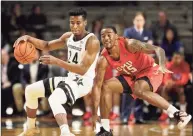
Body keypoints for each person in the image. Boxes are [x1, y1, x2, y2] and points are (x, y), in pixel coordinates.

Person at [14, 8, 100, 136]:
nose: (74, 26)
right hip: (70, 79)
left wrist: (57, 61)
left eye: (78, 23)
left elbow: (82, 69)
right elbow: (47, 45)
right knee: (30, 91)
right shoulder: (68, 37)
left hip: (83, 82)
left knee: (54, 98)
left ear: (85, 23)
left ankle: (66, 133)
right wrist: (28, 38)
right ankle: (31, 129)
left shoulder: (92, 41)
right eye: (72, 22)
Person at [91, 26, 192, 135]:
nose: (106, 38)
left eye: (109, 34)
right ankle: (105, 129)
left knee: (138, 90)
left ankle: (179, 113)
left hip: (150, 70)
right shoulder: (103, 58)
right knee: (106, 86)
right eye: (103, 36)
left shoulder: (130, 44)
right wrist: (94, 113)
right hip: (131, 75)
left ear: (116, 36)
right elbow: (97, 85)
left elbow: (159, 50)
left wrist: (162, 65)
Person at [159, 52, 190, 121]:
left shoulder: (185, 65)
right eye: (175, 58)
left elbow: (184, 80)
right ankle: (165, 114)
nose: (176, 60)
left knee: (181, 90)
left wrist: (174, 83)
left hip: (179, 86)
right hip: (170, 86)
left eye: (178, 58)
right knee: (164, 89)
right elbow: (165, 79)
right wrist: (168, 83)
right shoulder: (169, 65)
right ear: (172, 58)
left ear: (182, 58)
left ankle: (183, 114)